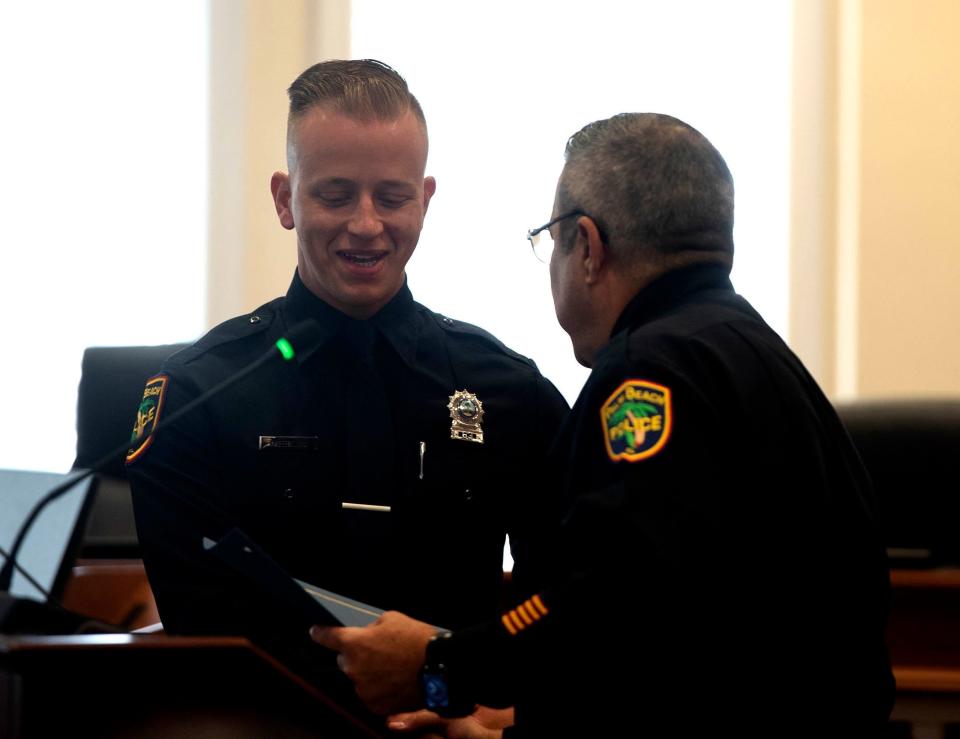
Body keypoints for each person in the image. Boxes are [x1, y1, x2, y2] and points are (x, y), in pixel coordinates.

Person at [312, 113, 894, 737]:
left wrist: (443, 662)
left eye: (552, 240)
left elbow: (608, 592)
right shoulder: (753, 354)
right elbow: (693, 621)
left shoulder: (649, 373)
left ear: (587, 247)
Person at [125, 59, 568, 681]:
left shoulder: (509, 393)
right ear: (286, 200)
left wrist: (466, 690)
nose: (367, 225)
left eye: (392, 197)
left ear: (425, 200)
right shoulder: (200, 394)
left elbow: (569, 595)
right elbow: (199, 624)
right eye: (335, 195)